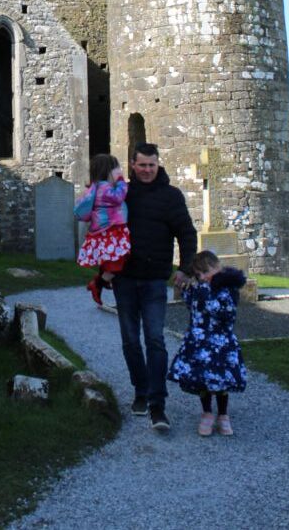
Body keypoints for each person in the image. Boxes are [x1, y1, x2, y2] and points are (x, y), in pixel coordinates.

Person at [112, 142, 197, 431]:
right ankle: (141, 390)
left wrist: (185, 269)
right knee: (130, 342)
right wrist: (104, 271)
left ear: (158, 165)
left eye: (152, 164)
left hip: (153, 281)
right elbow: (104, 229)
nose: (147, 170)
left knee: (155, 340)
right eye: (142, 165)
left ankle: (157, 404)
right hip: (124, 278)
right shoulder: (122, 194)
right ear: (132, 165)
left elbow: (186, 233)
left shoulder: (171, 197)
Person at [168, 250, 247, 436]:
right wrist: (185, 290)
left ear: (216, 267)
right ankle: (207, 413)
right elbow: (192, 306)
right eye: (198, 274)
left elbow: (224, 312)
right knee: (200, 379)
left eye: (205, 272)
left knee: (220, 380)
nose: (202, 277)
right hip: (199, 341)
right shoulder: (201, 287)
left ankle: (223, 415)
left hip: (220, 343)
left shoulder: (227, 288)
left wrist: (205, 295)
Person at [75, 154, 131, 306]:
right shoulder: (104, 187)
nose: (118, 172)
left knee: (113, 258)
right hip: (111, 229)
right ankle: (98, 283)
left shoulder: (96, 187)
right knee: (118, 260)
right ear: (108, 171)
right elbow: (118, 197)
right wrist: (121, 181)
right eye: (116, 169)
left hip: (107, 229)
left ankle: (103, 280)